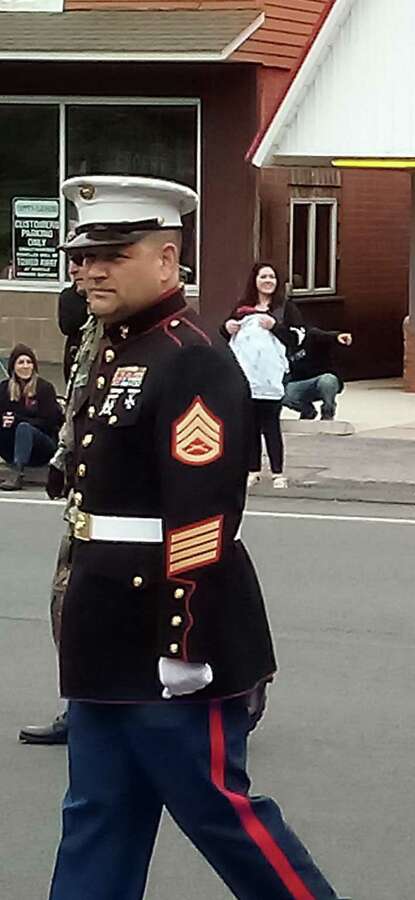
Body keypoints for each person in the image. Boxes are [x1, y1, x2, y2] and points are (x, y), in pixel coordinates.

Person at [48, 175, 342, 899]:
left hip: (168, 629)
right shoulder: (111, 350)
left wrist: (181, 644)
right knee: (97, 817)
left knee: (218, 813)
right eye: (83, 257)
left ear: (166, 258)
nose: (91, 271)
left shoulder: (192, 358)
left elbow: (203, 515)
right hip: (104, 626)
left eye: (112, 255)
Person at [17, 311, 103, 746]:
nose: (84, 279)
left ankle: (230, 690)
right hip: (86, 498)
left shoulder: (162, 341)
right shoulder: (93, 326)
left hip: (127, 504)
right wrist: (62, 457)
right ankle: (82, 706)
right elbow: (80, 403)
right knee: (66, 603)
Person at [223, 263, 299, 489]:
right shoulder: (242, 308)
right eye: (263, 276)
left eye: (272, 277)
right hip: (247, 378)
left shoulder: (285, 308)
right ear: (254, 280)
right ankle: (252, 470)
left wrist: (275, 327)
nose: (268, 281)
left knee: (271, 425)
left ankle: (277, 472)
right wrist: (227, 328)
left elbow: (297, 338)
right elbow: (225, 334)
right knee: (250, 427)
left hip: (271, 378)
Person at [0, 345, 64, 491]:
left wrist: (18, 420)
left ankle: (17, 473)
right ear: (13, 367)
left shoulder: (44, 388)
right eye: (20, 362)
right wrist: (4, 421)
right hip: (11, 447)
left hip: (42, 447)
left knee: (24, 428)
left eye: (29, 362)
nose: (25, 366)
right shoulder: (4, 388)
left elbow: (49, 423)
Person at [283, 325, 353, 420]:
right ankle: (308, 411)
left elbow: (324, 336)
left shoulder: (312, 335)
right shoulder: (284, 347)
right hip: (301, 384)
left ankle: (328, 411)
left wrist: (337, 336)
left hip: (321, 379)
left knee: (327, 380)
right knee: (281, 393)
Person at [58, 253, 90, 382]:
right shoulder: (69, 297)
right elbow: (67, 327)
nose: (72, 270)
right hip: (76, 360)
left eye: (80, 262)